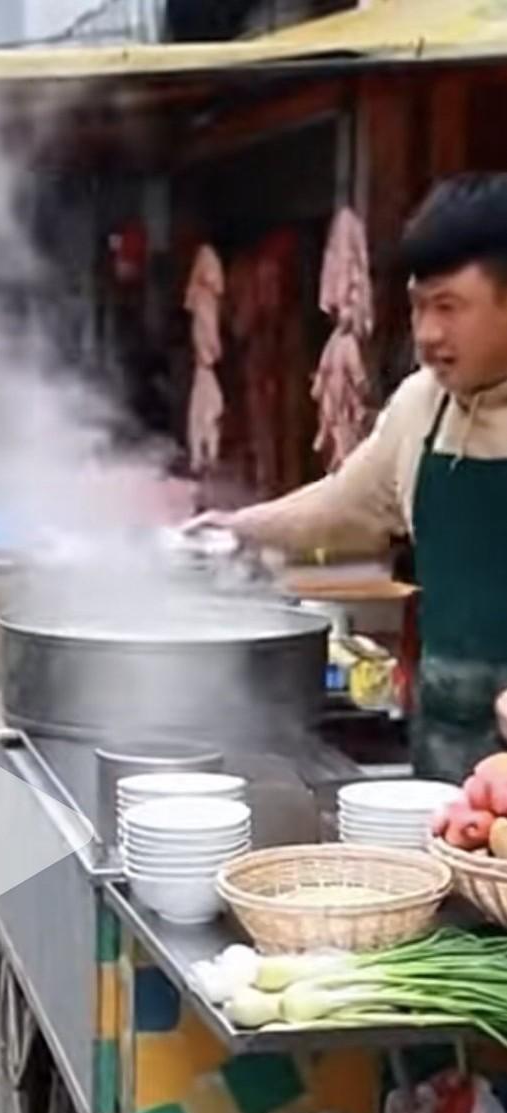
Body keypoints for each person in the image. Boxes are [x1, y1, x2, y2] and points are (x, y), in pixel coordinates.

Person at [194, 175, 507, 783]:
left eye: (449, 307)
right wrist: (239, 526)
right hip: (444, 755)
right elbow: (345, 504)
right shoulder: (423, 405)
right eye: (418, 308)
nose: (427, 335)